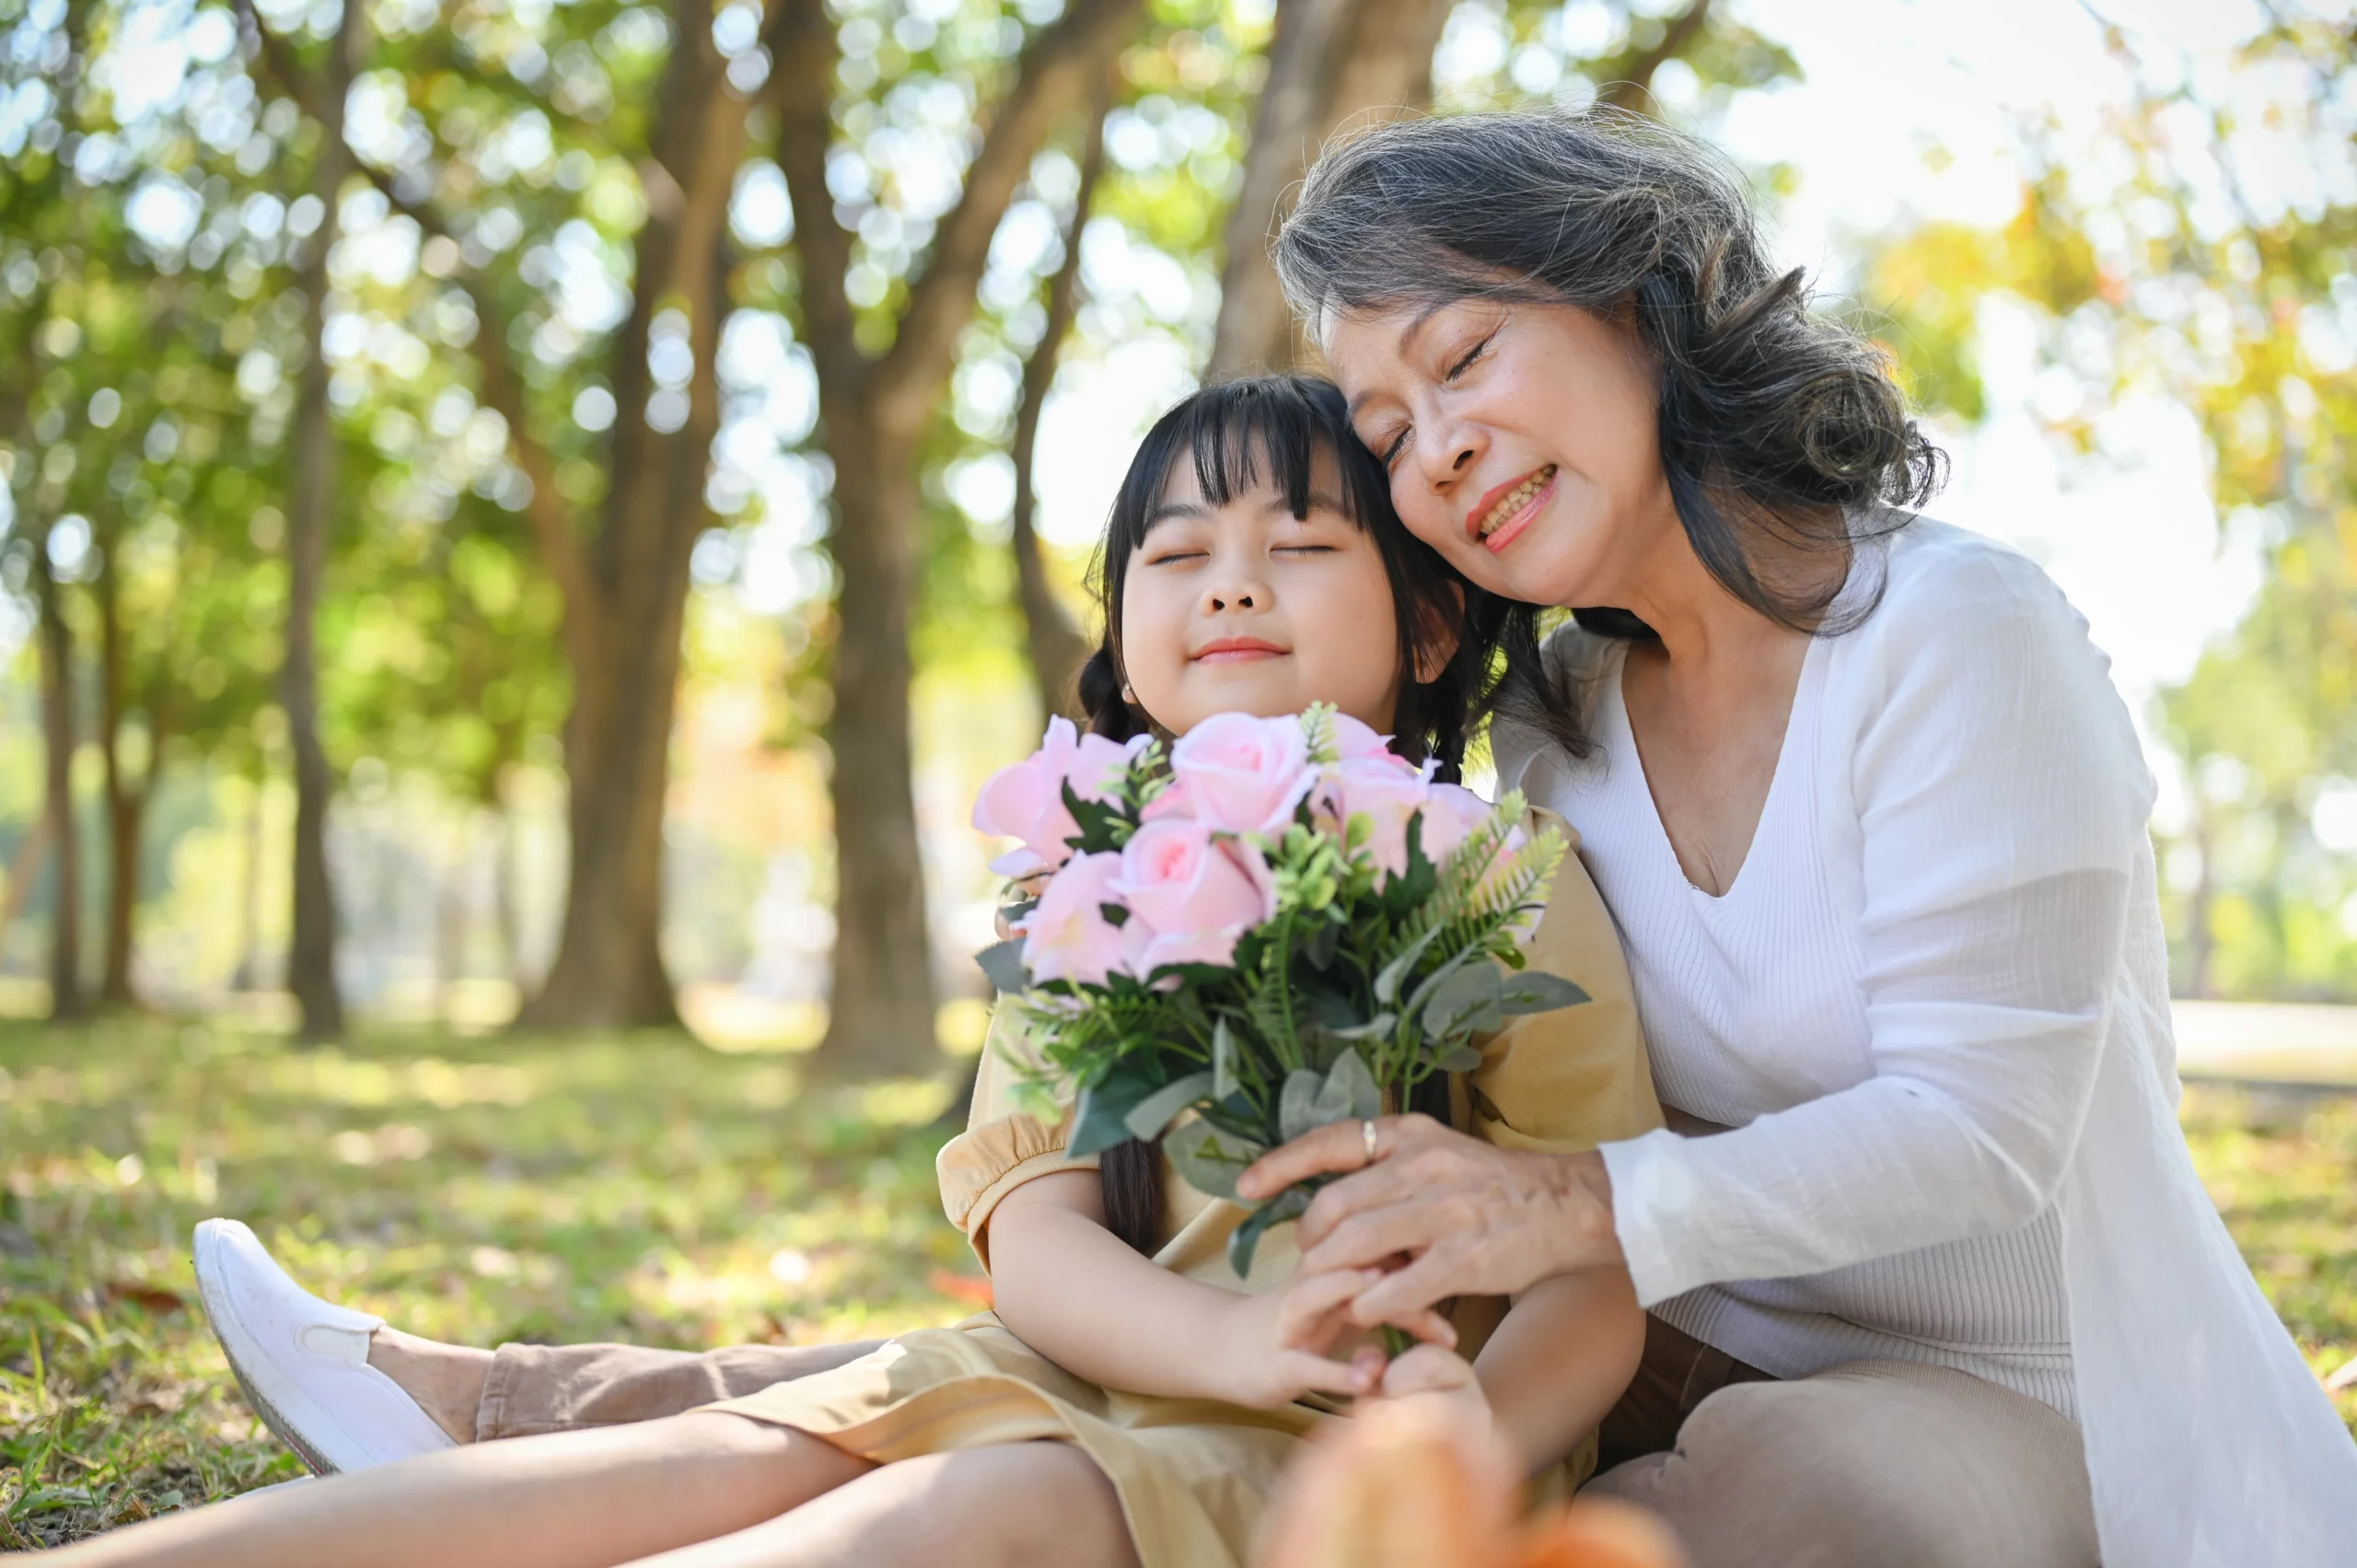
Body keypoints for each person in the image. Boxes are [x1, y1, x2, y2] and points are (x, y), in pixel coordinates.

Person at [83, 374, 1663, 1568]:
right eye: (1177, 554)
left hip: (1346, 1465)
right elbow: (1036, 1240)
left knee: (967, 1508)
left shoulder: (1494, 879)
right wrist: (1229, 1343)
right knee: (706, 1458)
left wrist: (1458, 1445)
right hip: (1085, 1367)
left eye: (1300, 544)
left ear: (1439, 623)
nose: (1231, 583)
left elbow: (1599, 1270)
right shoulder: (1095, 882)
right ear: (1121, 633)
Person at [1234, 108, 2357, 1568]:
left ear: (1645, 303)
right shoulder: (1548, 728)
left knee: (1761, 1502)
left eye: (1462, 360)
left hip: (2033, 1400)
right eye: (1385, 434)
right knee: (1175, 1444)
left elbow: (1980, 1131)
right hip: (1643, 1343)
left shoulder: (1958, 637)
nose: (1434, 451)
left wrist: (1573, 1202)